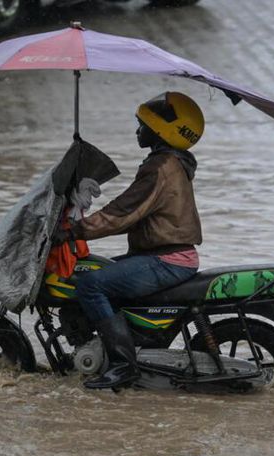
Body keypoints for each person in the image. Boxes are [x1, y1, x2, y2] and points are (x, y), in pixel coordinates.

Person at [55, 92, 204, 389]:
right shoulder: (172, 163)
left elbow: (124, 212)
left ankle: (124, 364)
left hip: (165, 260)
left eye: (142, 125)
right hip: (166, 256)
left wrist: (74, 231)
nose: (137, 131)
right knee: (91, 272)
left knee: (90, 284)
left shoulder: (160, 167)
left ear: (161, 131)